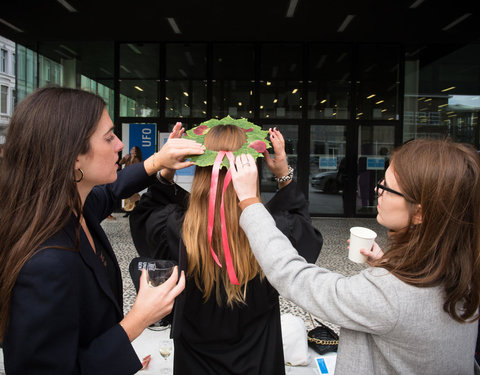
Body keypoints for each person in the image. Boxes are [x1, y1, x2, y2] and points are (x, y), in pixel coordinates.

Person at [230, 138, 480, 374]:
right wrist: (388, 266)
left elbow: (295, 277)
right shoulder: (465, 271)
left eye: (386, 187)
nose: (376, 189)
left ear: (419, 214)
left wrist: (250, 203)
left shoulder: (390, 296)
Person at [0, 87, 204, 375]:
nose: (120, 144)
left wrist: (160, 164)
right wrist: (139, 318)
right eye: (109, 137)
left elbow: (111, 191)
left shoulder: (72, 206)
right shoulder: (45, 263)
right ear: (73, 157)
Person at [129, 119, 323, 375]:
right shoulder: (275, 231)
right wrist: (283, 176)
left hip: (196, 364)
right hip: (259, 362)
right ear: (250, 168)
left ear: (201, 169)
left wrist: (166, 172)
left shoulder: (174, 228)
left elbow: (143, 217)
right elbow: (306, 235)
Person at [119, 146, 143, 217]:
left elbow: (136, 169)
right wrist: (124, 158)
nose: (131, 150)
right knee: (127, 194)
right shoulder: (128, 157)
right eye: (131, 148)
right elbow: (120, 162)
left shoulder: (137, 159)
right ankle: (128, 210)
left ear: (135, 151)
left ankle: (135, 209)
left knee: (133, 193)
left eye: (133, 149)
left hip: (133, 178)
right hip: (126, 178)